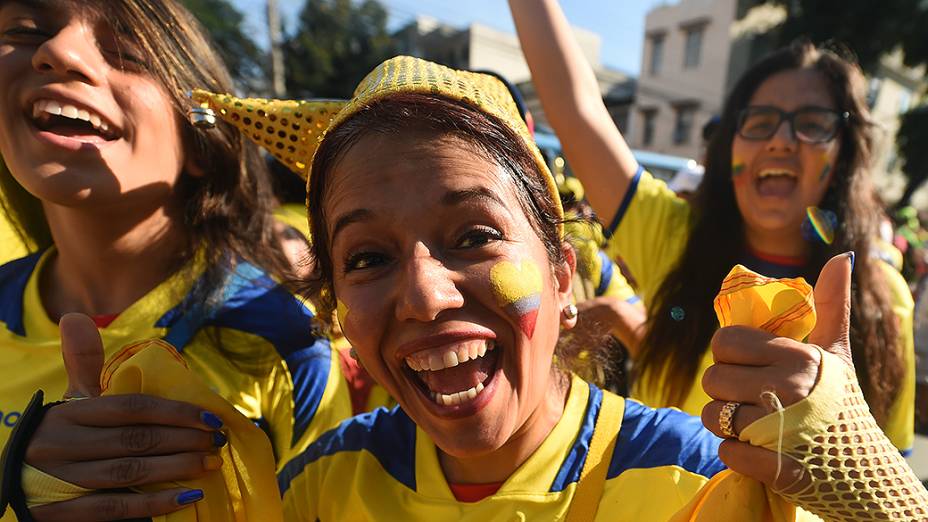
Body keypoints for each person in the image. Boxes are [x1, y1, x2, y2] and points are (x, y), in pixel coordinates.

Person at [179, 56, 920, 521]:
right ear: (335, 303)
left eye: (473, 236)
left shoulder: (694, 485)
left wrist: (878, 498)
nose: (425, 294)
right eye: (368, 257)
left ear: (565, 275)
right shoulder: (315, 489)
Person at [510, 0, 915, 454]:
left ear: (843, 154)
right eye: (760, 123)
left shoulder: (885, 300)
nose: (781, 141)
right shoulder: (673, 238)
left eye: (812, 125)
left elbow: (893, 479)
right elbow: (575, 108)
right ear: (729, 148)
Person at [0, 1, 352, 517]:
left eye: (127, 50)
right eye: (24, 31)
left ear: (200, 142)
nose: (57, 52)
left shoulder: (287, 341)